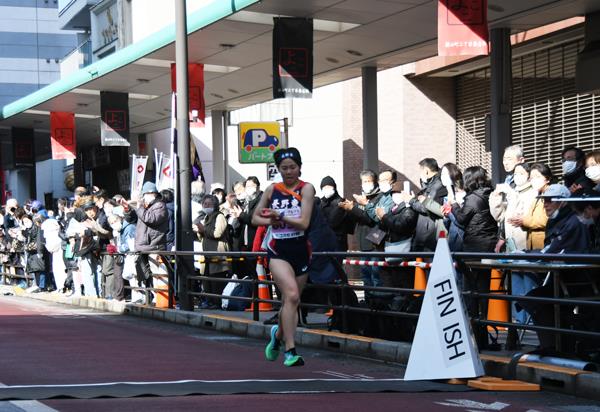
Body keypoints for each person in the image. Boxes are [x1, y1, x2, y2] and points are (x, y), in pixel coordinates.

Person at [252, 147, 314, 367]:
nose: (289, 172)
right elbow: (255, 218)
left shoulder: (307, 189)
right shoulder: (271, 190)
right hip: (278, 250)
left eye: (293, 167)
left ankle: (277, 335)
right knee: (292, 295)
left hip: (301, 250)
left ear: (299, 167)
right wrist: (272, 221)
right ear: (278, 169)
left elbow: (305, 222)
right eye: (284, 168)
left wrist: (281, 216)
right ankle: (290, 351)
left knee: (290, 302)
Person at [447, 166, 497, 348]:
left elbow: (461, 219)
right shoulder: (487, 194)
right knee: (481, 291)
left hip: (475, 247)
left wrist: (453, 205)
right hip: (486, 245)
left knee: (473, 293)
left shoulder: (474, 198)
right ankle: (481, 335)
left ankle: (478, 337)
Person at [339, 169, 383, 298]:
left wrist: (354, 208)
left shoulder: (379, 198)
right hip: (364, 242)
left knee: (376, 274)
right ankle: (369, 302)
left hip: (376, 242)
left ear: (375, 182)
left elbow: (369, 219)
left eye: (369, 181)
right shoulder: (362, 198)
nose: (366, 184)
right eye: (364, 181)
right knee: (365, 274)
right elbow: (359, 219)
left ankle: (379, 304)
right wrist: (350, 209)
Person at [122, 182, 169, 303]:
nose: (144, 197)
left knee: (157, 273)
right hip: (144, 245)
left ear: (153, 193)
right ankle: (151, 296)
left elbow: (150, 219)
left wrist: (139, 207)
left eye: (146, 194)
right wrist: (127, 210)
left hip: (154, 245)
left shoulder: (160, 206)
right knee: (145, 273)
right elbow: (131, 219)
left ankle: (161, 298)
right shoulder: (145, 206)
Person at [376, 181, 418, 288]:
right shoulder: (392, 209)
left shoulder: (408, 209)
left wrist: (384, 217)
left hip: (403, 249)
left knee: (404, 283)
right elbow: (385, 227)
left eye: (398, 193)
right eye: (393, 193)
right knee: (392, 282)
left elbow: (401, 226)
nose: (395, 196)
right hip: (391, 249)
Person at [193, 194, 231, 309]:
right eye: (204, 204)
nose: (206, 206)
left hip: (218, 253)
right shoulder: (206, 217)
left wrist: (202, 228)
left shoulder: (219, 216)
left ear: (215, 205)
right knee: (207, 279)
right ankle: (209, 301)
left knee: (217, 280)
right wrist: (199, 230)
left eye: (209, 204)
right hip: (207, 254)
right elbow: (202, 237)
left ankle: (216, 303)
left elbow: (217, 233)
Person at [402, 158, 448, 251]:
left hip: (431, 233)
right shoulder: (429, 184)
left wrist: (411, 200)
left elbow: (427, 207)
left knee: (428, 261)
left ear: (426, 171)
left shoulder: (437, 186)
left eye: (420, 171)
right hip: (425, 230)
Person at [521, 163, 552, 250]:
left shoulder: (551, 194)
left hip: (544, 243)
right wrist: (520, 221)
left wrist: (524, 221)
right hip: (532, 244)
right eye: (531, 178)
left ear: (547, 179)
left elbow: (546, 220)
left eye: (537, 176)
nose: (534, 180)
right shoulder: (538, 196)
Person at [319, 176, 354, 252]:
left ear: (334, 187)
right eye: (324, 187)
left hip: (338, 241)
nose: (327, 189)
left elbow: (333, 222)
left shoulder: (341, 202)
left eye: (329, 187)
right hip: (323, 242)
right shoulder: (320, 203)